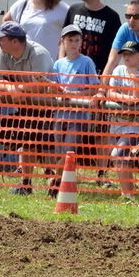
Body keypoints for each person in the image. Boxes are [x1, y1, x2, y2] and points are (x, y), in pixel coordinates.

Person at [0, 21, 59, 195]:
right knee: (26, 142)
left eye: (1, 39)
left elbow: (40, 85)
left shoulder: (38, 54)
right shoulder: (3, 52)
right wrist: (11, 88)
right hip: (25, 105)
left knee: (44, 146)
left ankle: (53, 181)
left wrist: (16, 88)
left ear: (15, 42)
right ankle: (27, 183)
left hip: (46, 106)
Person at [51, 25, 101, 193]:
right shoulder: (58, 64)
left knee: (68, 150)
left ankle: (56, 181)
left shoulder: (87, 62)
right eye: (69, 40)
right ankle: (60, 182)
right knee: (59, 151)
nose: (73, 44)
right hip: (60, 114)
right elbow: (54, 87)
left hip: (78, 115)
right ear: (63, 42)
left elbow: (94, 87)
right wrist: (57, 91)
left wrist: (73, 94)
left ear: (81, 42)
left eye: (76, 40)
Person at [104, 40, 139, 195]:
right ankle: (132, 191)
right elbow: (110, 93)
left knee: (118, 155)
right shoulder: (118, 70)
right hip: (116, 123)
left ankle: (127, 194)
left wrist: (135, 79)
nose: (126, 57)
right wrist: (127, 99)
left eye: (131, 54)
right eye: (124, 54)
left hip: (135, 126)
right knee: (123, 159)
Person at [63, 0, 122, 74]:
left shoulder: (112, 16)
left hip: (97, 74)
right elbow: (63, 41)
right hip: (70, 71)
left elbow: (116, 51)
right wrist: (61, 63)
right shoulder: (73, 9)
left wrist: (105, 77)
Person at [5, 0, 69, 58]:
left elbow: (71, 31)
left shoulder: (61, 8)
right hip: (24, 60)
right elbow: (6, 20)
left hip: (48, 62)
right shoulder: (22, 4)